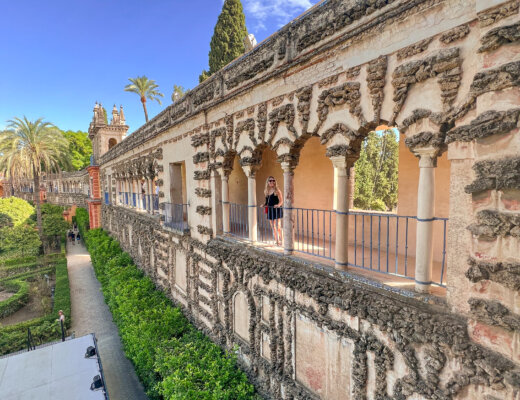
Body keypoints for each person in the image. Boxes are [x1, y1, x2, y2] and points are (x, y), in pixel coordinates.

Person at [263, 176, 283, 246]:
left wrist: (278, 205)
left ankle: (282, 240)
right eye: (270, 181)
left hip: (277, 209)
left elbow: (281, 201)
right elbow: (267, 202)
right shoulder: (266, 191)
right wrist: (264, 205)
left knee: (279, 226)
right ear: (268, 182)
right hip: (270, 210)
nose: (272, 182)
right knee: (273, 227)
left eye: (273, 180)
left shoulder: (277, 190)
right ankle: (277, 241)